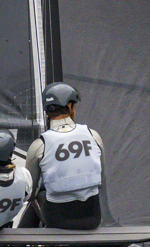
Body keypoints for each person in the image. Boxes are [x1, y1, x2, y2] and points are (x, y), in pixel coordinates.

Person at [19, 82, 104, 230]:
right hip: (93, 218)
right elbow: (100, 179)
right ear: (70, 106)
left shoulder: (39, 145)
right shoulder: (94, 136)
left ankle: (18, 244)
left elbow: (29, 192)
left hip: (59, 222)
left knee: (37, 196)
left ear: (47, 111)